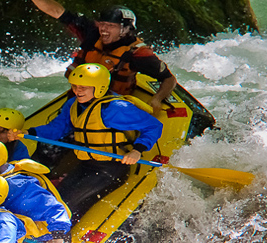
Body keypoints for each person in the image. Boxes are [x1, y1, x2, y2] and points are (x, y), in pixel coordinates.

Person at [9, 63, 163, 222]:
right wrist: (29, 132)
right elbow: (57, 128)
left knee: (66, 204)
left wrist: (137, 150)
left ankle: (61, 238)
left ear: (99, 87)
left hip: (111, 168)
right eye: (75, 86)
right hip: (86, 163)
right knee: (58, 198)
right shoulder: (73, 105)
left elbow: (153, 126)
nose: (77, 91)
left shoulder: (115, 108)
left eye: (84, 87)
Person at [29, 0, 178, 113]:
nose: (104, 30)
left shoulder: (138, 53)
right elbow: (57, 12)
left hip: (109, 109)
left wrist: (157, 98)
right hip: (78, 101)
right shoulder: (92, 32)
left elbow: (169, 79)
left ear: (125, 29)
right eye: (103, 24)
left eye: (111, 26)